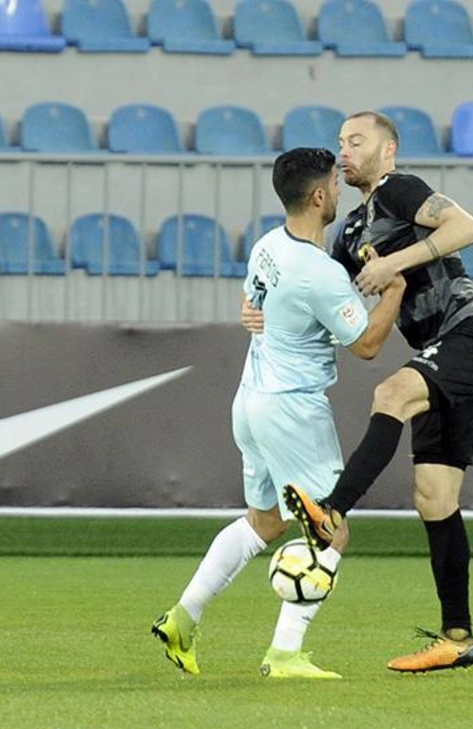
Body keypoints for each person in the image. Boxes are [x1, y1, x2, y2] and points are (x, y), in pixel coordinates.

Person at [153, 147, 405, 680]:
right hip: (292, 410)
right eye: (334, 183)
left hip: (250, 400)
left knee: (263, 522)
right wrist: (396, 290)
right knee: (332, 529)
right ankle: (285, 652)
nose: (340, 190)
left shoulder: (267, 245)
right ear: (318, 196)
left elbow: (252, 306)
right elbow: (366, 345)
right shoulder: (319, 273)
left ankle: (182, 618)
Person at [280, 110, 473, 673]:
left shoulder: (400, 191)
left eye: (357, 141)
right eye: (340, 143)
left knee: (392, 393)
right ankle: (458, 638)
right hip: (437, 351)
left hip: (470, 338)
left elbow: (467, 228)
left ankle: (331, 511)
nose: (344, 152)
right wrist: (263, 307)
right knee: (434, 497)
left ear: (389, 150)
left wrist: (395, 265)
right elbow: (322, 292)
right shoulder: (349, 234)